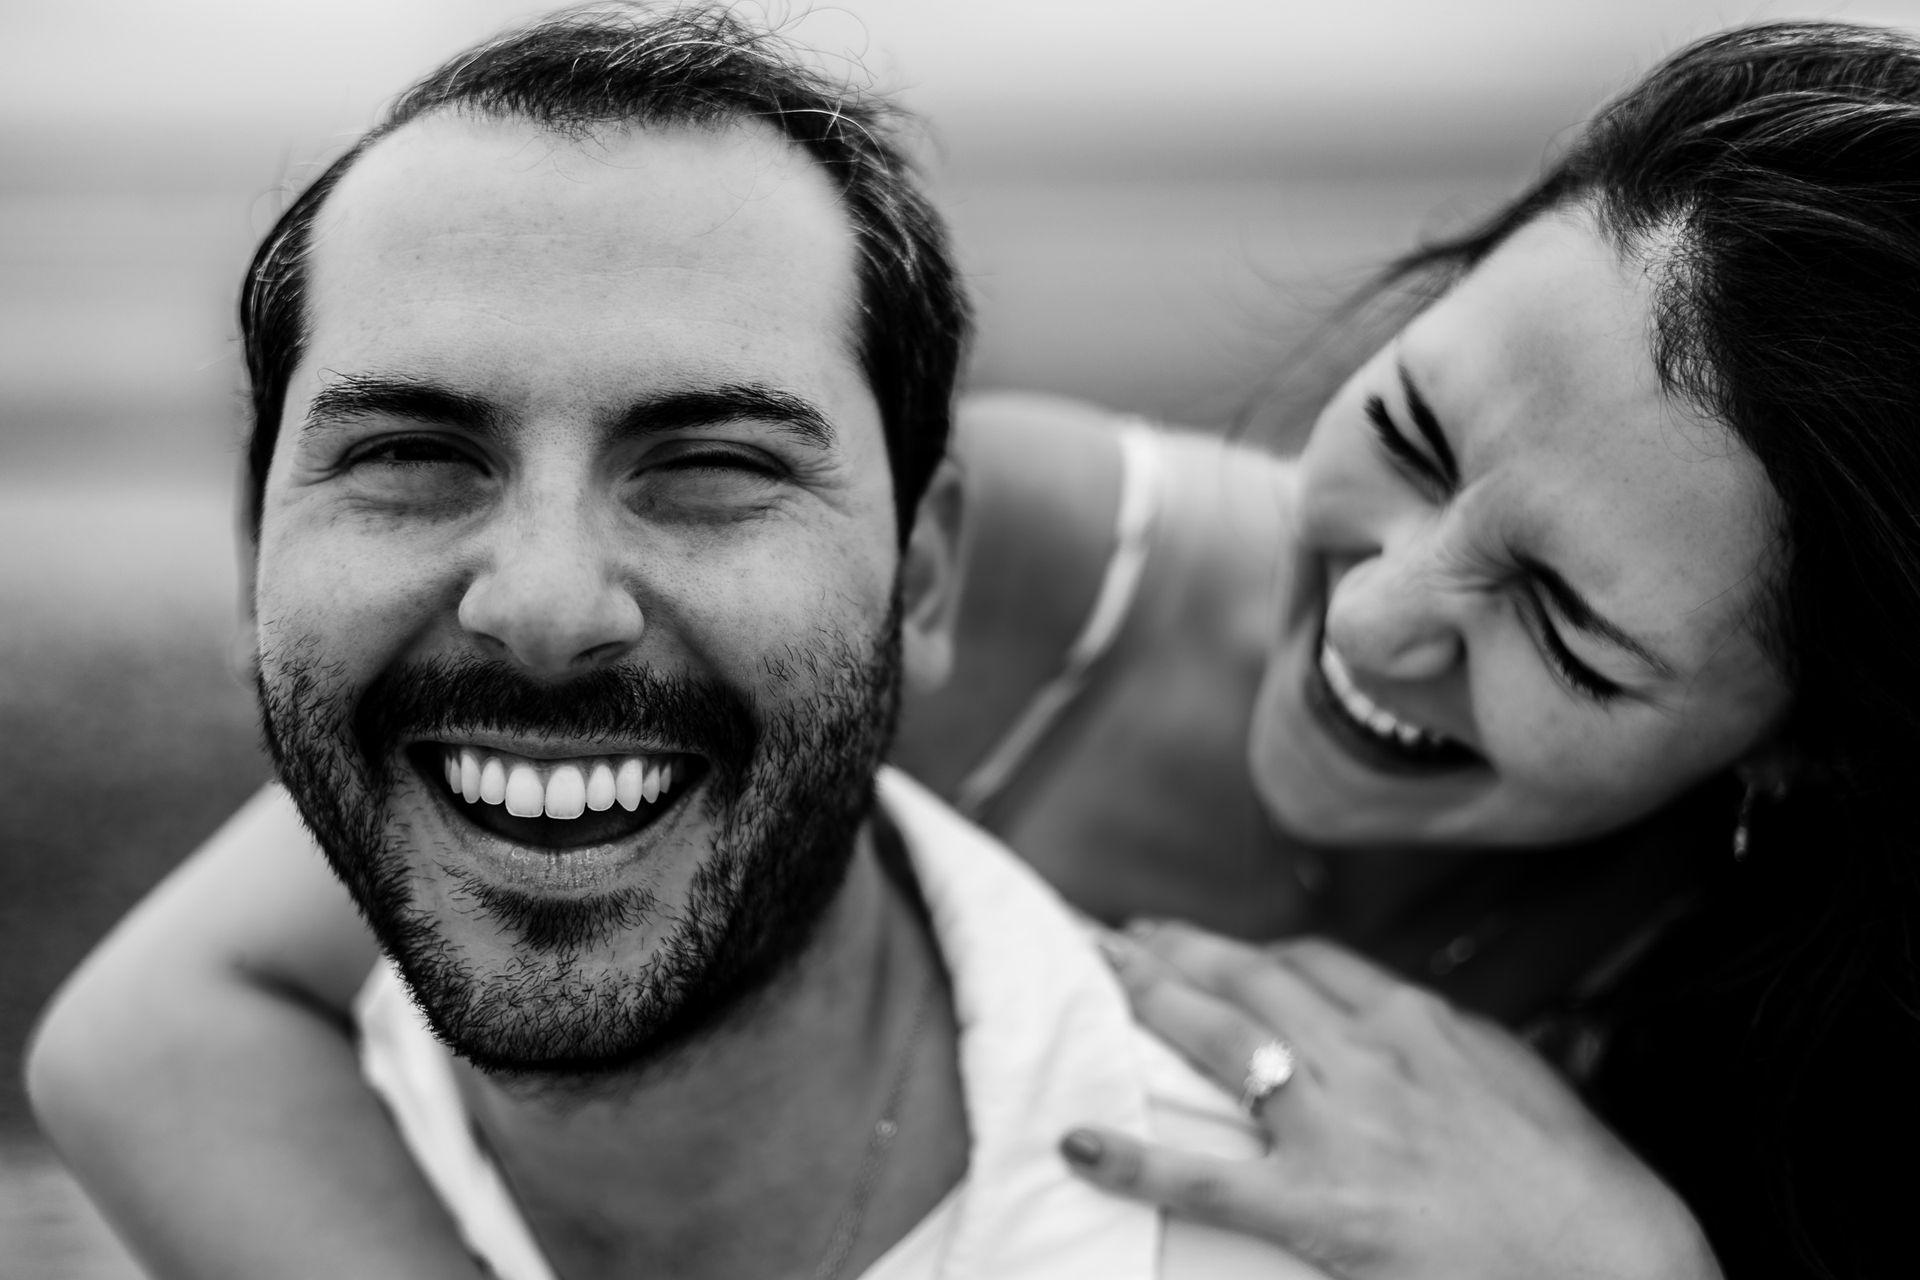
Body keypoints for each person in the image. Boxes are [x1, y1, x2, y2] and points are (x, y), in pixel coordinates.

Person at [28, 11, 1920, 1280]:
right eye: (1413, 433)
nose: (1377, 608)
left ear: (1810, 740)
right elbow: (157, 1033)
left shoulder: (1797, 1026)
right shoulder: (1029, 561)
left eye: (1569, 628)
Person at [25, 7, 1334, 1280]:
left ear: (924, 578)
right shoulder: (206, 1134)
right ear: (256, 554)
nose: (546, 609)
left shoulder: (1272, 1242)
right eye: (411, 456)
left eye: (712, 467)